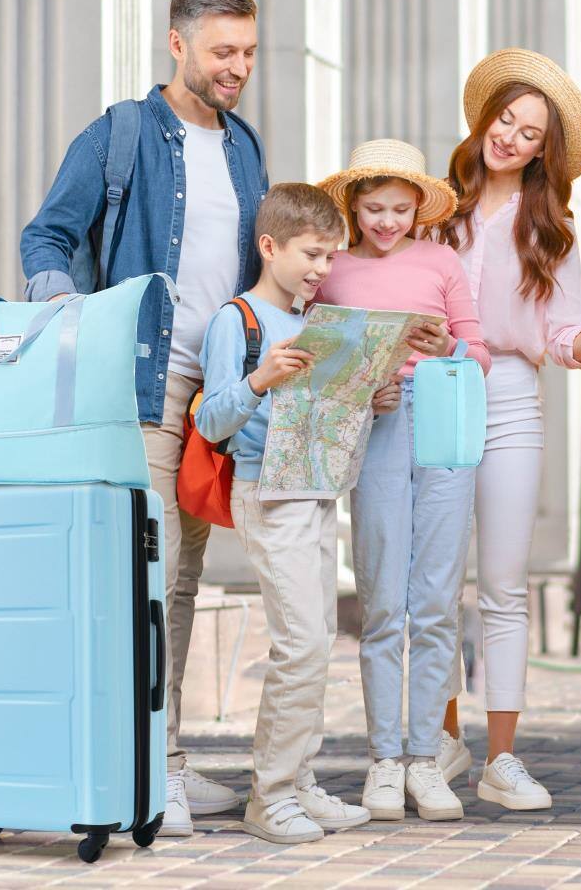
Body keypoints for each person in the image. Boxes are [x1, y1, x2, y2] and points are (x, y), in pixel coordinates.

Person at [19, 0, 267, 836]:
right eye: (221, 52)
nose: (236, 68)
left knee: (187, 579)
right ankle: (148, 767)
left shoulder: (244, 147)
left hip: (216, 391)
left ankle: (165, 753)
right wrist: (63, 306)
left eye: (246, 52)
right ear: (177, 44)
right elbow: (47, 232)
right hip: (143, 378)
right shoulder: (121, 133)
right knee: (150, 577)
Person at [435, 48, 581, 809]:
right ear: (486, 118)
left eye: (530, 132)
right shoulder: (436, 207)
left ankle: (501, 759)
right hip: (434, 395)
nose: (511, 137)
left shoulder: (552, 233)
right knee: (432, 583)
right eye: (507, 119)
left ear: (542, 152)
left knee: (501, 584)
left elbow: (565, 343)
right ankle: (442, 742)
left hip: (511, 400)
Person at [314, 140, 491, 822]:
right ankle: (384, 760)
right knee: (384, 600)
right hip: (377, 424)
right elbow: (321, 357)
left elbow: (479, 351)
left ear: (420, 207)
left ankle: (426, 759)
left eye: (399, 209)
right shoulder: (334, 270)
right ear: (353, 208)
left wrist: (444, 346)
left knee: (438, 600)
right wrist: (363, 386)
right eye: (373, 209)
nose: (387, 222)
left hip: (443, 418)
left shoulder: (440, 261)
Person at [195, 183, 370, 843]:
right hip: (267, 490)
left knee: (316, 642)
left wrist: (366, 399)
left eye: (331, 257)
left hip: (318, 489)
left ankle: (297, 782)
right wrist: (260, 379)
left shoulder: (312, 325)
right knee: (300, 643)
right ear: (270, 247)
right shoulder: (235, 321)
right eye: (313, 254)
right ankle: (271, 798)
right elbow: (212, 421)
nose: (323, 269)